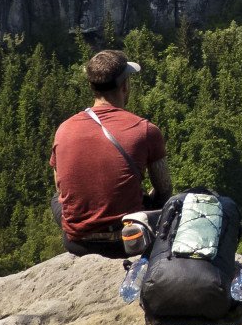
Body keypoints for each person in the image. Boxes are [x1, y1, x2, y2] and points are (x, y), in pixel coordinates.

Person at [49, 49, 172, 257]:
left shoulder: (64, 129)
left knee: (55, 199)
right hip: (128, 242)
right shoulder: (145, 130)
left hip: (79, 243)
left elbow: (62, 191)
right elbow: (164, 189)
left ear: (91, 86)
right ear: (125, 86)